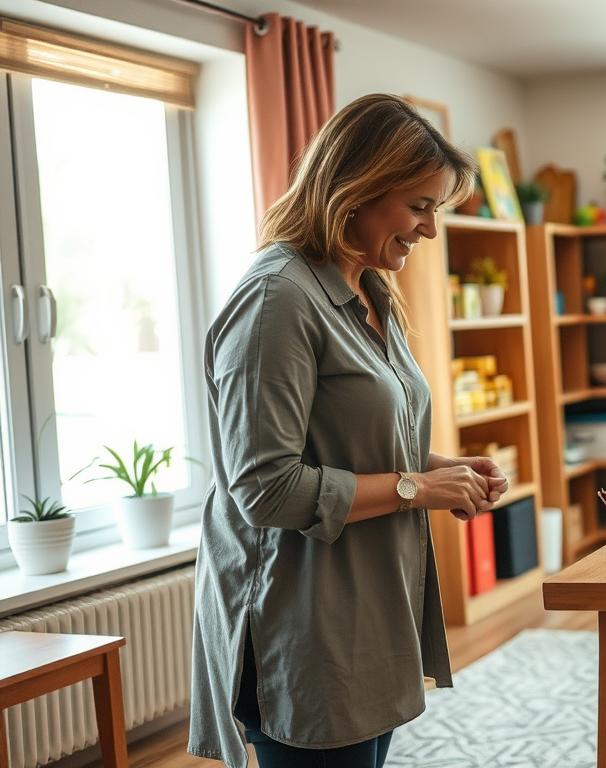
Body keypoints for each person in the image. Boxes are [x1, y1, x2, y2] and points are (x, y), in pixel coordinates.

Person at [188, 94, 505, 768]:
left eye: (435, 211)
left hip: (367, 608)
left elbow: (365, 445)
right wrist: (418, 486)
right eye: (419, 206)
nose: (428, 230)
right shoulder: (277, 299)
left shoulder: (369, 292)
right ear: (356, 191)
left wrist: (449, 471)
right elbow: (266, 489)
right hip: (305, 621)